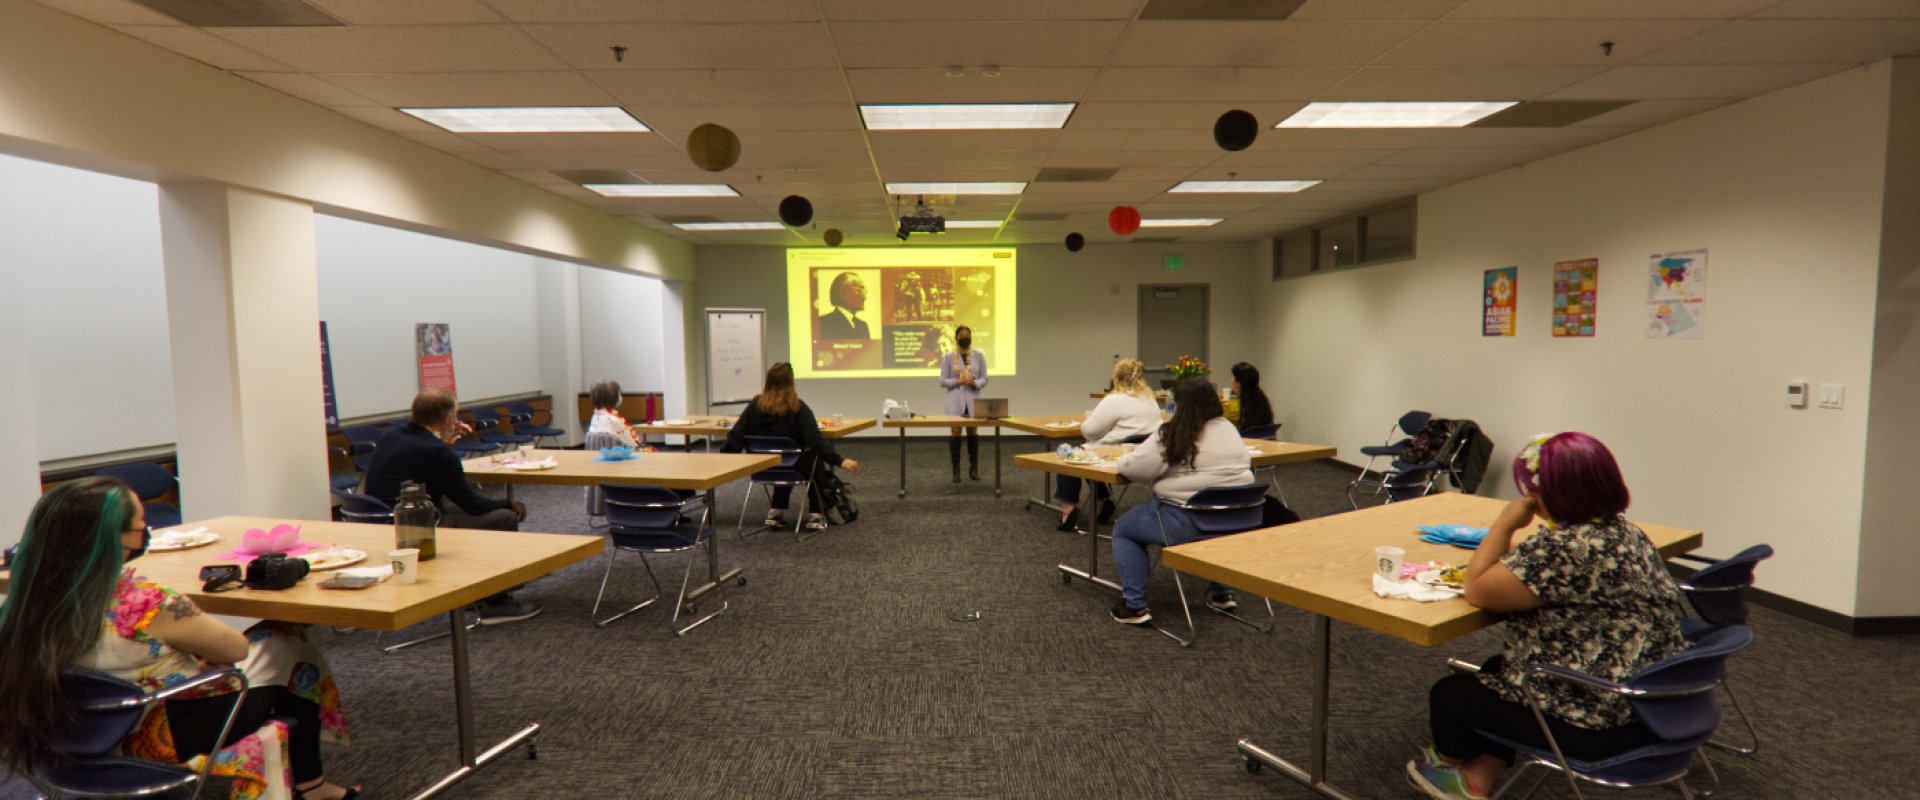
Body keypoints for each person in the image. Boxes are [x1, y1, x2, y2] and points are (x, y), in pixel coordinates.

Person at [0, 478, 358, 800]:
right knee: (286, 644)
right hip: (158, 737)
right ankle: (315, 789)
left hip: (59, 736)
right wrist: (199, 657)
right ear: (114, 539)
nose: (145, 535)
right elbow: (235, 649)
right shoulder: (145, 602)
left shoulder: (21, 601)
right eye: (141, 528)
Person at [1406, 432, 1687, 800]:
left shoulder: (1561, 549)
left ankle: (1450, 770)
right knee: (1497, 668)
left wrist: (1505, 523)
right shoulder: (1625, 532)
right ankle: (1477, 778)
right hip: (1653, 703)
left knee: (1451, 695)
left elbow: (1477, 589)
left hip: (1603, 723)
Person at [362, 388, 540, 624]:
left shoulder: (392, 434)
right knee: (503, 517)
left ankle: (470, 587)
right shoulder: (437, 451)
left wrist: (444, 440)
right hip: (413, 529)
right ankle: (495, 603)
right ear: (447, 418)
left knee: (454, 508)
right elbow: (474, 504)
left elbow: (428, 466)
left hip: (378, 520)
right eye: (455, 416)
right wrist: (509, 503)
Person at [1107, 380, 1253, 624]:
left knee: (1124, 529)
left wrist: (1124, 460)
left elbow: (1137, 469)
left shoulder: (1174, 431)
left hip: (1187, 521)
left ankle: (1135, 606)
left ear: (1179, 405)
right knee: (1215, 529)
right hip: (1237, 520)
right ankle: (1223, 594)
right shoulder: (1228, 428)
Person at [723, 363, 859, 530]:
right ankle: (816, 514)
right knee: (811, 460)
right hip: (795, 467)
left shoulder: (755, 406)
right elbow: (815, 441)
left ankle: (776, 511)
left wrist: (724, 459)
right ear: (791, 382)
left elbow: (736, 435)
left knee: (785, 457)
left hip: (762, 467)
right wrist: (840, 461)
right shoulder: (798, 407)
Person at [1055, 358, 1162, 532]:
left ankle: (1069, 510)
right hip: (1145, 453)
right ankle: (1102, 503)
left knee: (1071, 457)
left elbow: (1089, 431)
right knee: (1089, 454)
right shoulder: (1149, 398)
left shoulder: (1115, 399)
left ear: (1117, 378)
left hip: (1114, 453)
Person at [939, 324, 988, 482]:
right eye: (962, 336)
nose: (965, 339)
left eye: (968, 336)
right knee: (955, 432)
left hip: (973, 398)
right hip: (955, 400)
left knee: (972, 432)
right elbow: (942, 381)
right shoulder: (948, 356)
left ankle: (974, 469)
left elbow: (984, 378)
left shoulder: (979, 355)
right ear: (956, 338)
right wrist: (958, 381)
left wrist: (975, 383)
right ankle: (956, 471)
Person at [585, 378, 642, 449]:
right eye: (619, 394)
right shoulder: (614, 420)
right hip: (616, 457)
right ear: (612, 397)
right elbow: (632, 445)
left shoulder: (595, 417)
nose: (620, 397)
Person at [817, 271, 871, 340]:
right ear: (842, 293)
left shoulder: (863, 326)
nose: (865, 297)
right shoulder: (824, 323)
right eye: (859, 290)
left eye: (864, 291)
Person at [1223, 361, 1274, 432]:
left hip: (1242, 441)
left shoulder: (1230, 406)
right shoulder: (1263, 402)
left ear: (1238, 382)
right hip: (1262, 441)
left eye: (1232, 376)